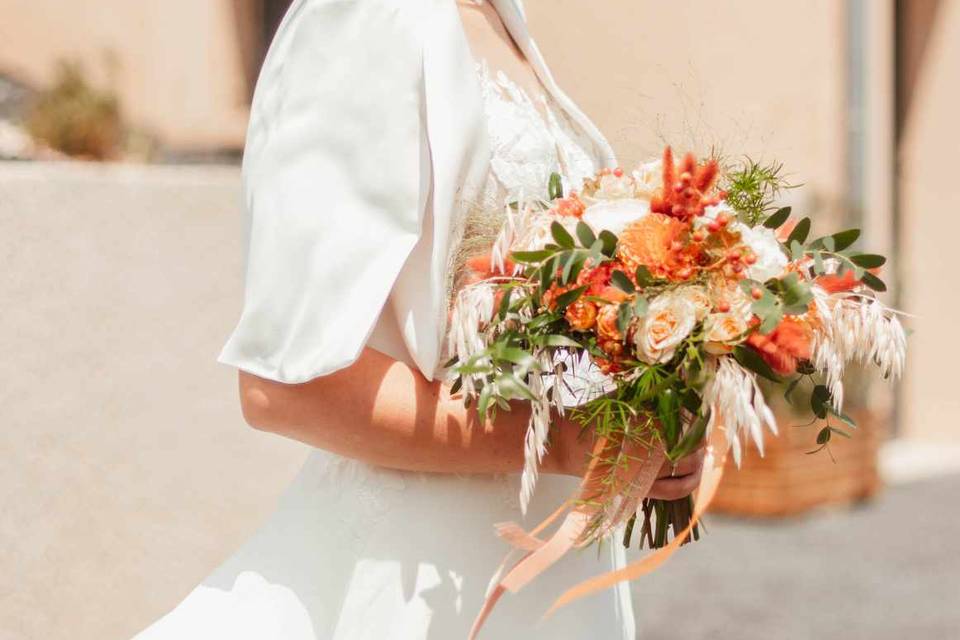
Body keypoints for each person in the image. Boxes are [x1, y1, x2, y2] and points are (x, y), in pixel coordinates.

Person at [136, 1, 704, 637]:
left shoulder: (496, 12)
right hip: (419, 586)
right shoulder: (358, 16)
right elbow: (285, 387)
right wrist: (567, 442)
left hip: (550, 573)